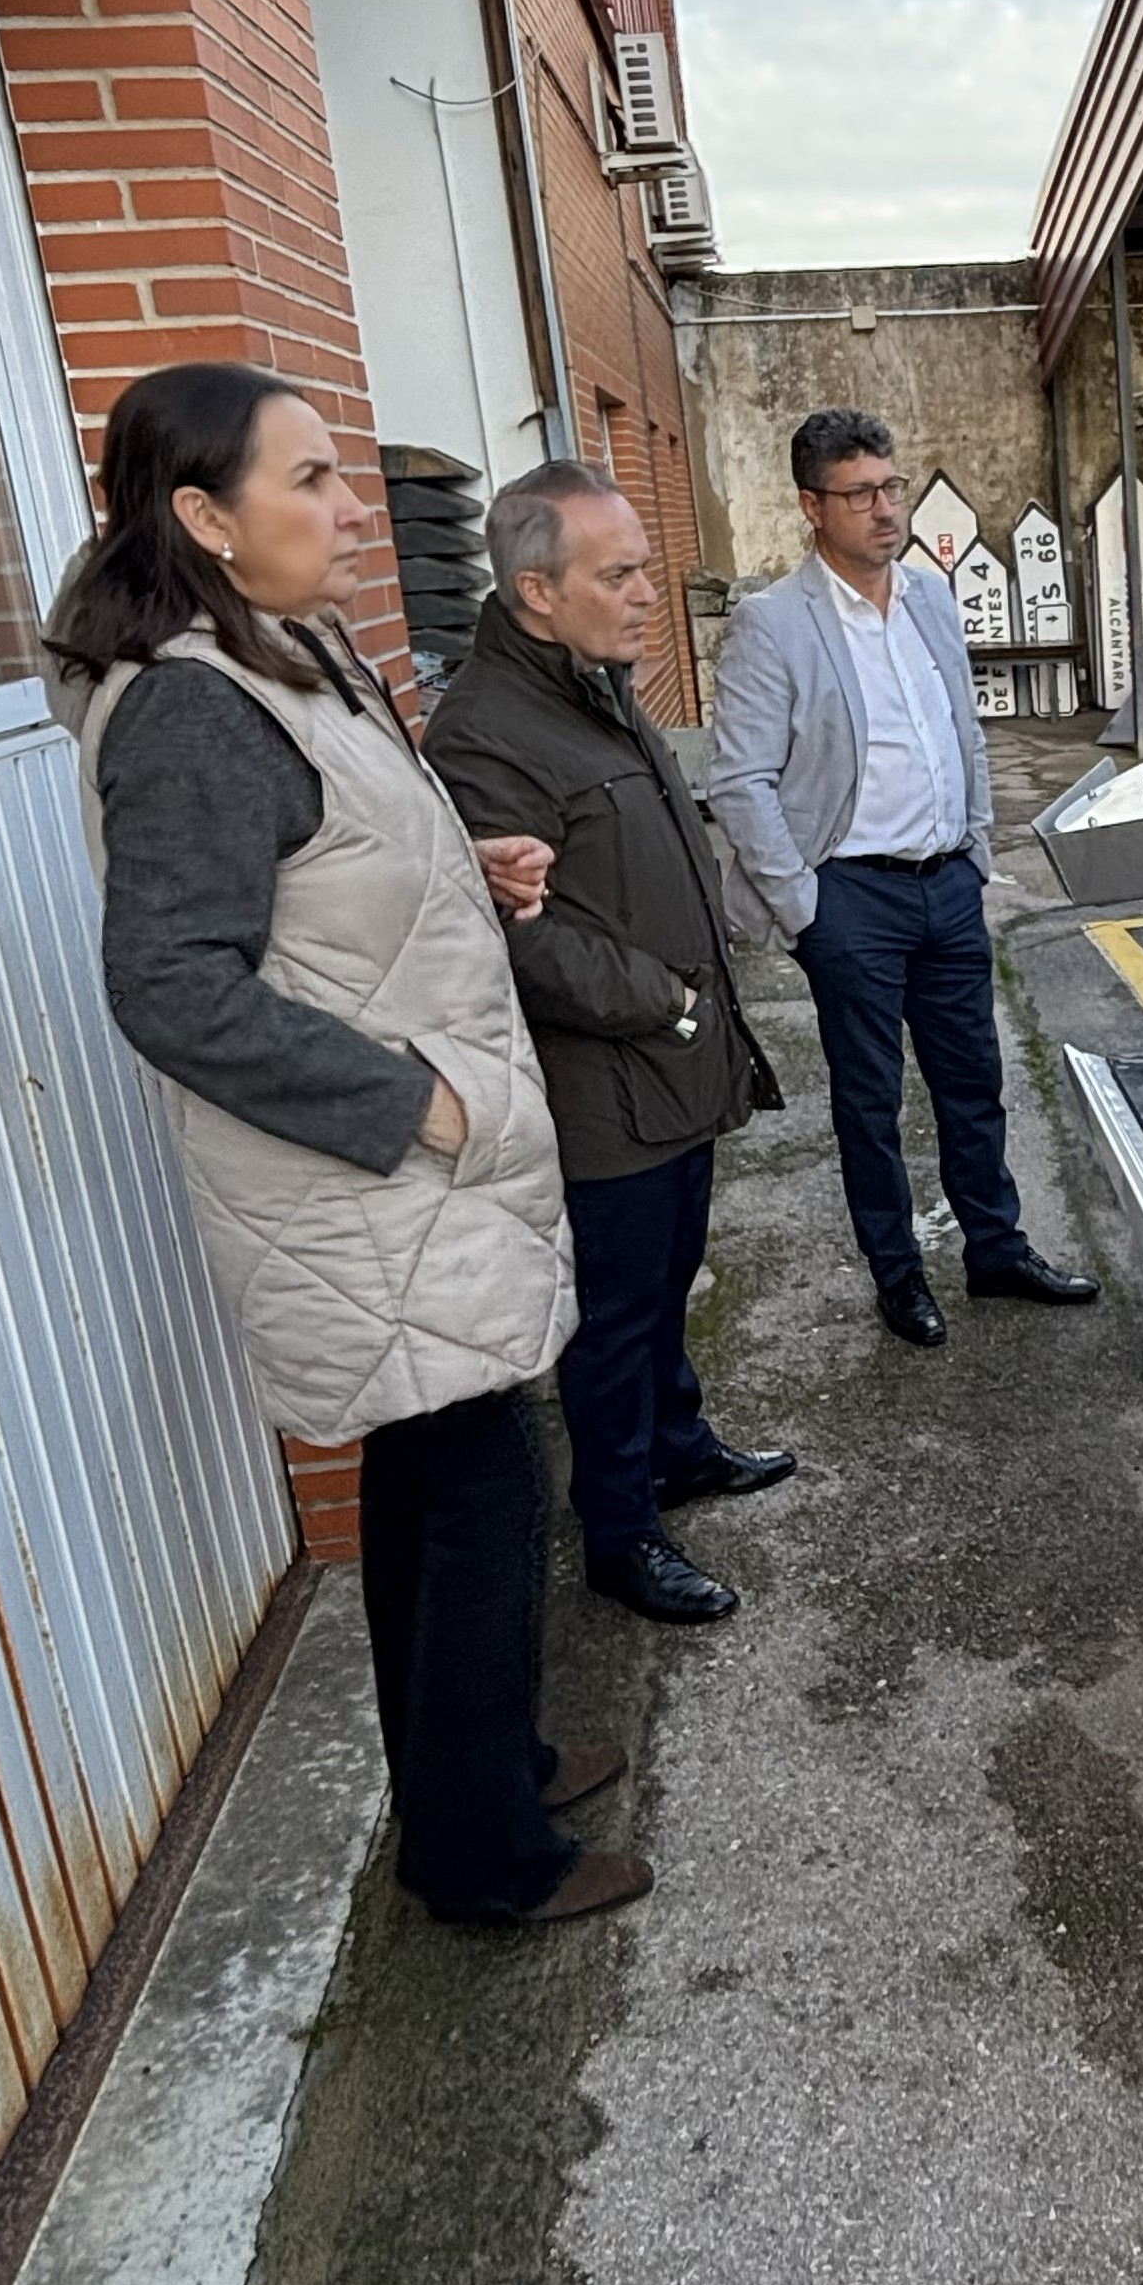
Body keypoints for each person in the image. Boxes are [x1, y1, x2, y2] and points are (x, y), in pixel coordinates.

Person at [48, 361, 644, 1929]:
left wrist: (465, 866)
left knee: (437, 1488)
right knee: (481, 1496)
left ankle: (485, 1774)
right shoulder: (191, 707)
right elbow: (171, 985)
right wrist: (413, 1104)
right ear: (205, 518)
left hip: (406, 1189)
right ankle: (483, 1858)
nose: (351, 506)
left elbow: (331, 874)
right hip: (373, 1183)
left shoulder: (286, 652)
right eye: (308, 479)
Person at [423, 459, 789, 1630]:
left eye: (644, 568)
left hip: (672, 1064)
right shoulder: (487, 731)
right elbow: (511, 933)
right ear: (538, 590)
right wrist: (662, 1000)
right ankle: (622, 1535)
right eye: (618, 574)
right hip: (607, 1084)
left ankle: (679, 1447)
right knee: (617, 1318)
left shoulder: (592, 684)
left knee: (669, 1277)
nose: (645, 595)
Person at [707, 407, 1097, 1348]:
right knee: (870, 1100)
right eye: (861, 495)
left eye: (893, 487)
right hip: (851, 899)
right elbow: (740, 781)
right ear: (812, 506)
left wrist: (976, 846)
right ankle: (898, 1275)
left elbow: (963, 731)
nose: (887, 510)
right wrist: (803, 906)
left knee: (975, 1080)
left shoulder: (929, 598)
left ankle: (996, 1249)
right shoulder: (773, 625)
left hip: (947, 885)